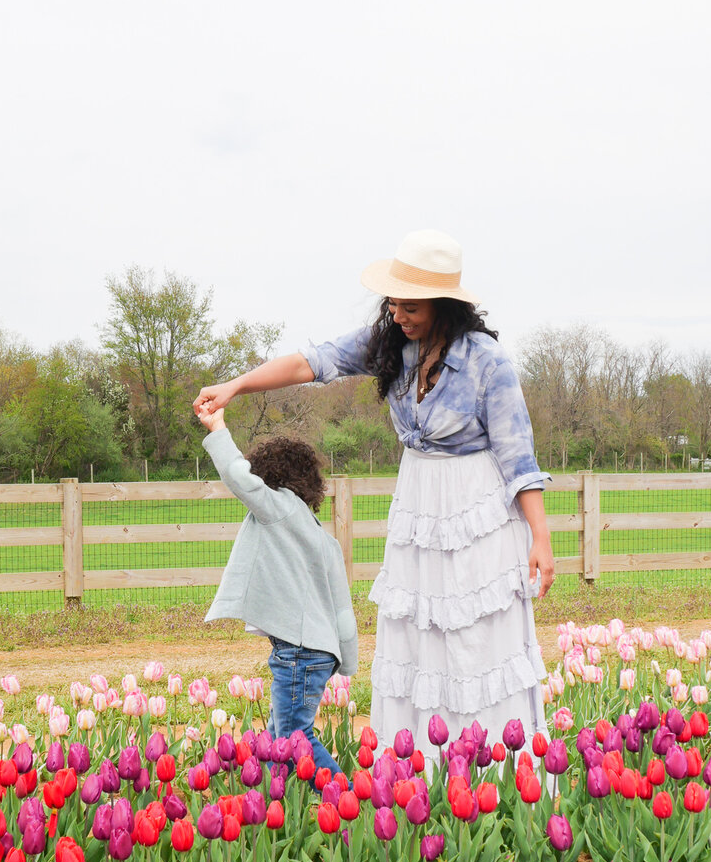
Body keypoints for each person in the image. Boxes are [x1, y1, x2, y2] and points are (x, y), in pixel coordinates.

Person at [193, 229, 554, 764]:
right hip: (418, 506)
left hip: (476, 513)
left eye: (411, 306)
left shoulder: (486, 362)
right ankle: (420, 770)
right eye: (394, 302)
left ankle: (488, 770)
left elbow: (518, 459)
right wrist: (236, 386)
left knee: (474, 639)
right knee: (417, 635)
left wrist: (540, 539)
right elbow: (310, 362)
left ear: (444, 306)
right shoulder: (390, 345)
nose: (398, 313)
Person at [196, 403, 357, 777]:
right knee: (276, 738)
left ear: (268, 475)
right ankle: (271, 803)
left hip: (298, 653)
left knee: (294, 738)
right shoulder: (322, 537)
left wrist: (217, 426)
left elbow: (237, 475)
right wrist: (345, 661)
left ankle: (349, 801)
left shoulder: (279, 507)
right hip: (320, 655)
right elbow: (343, 610)